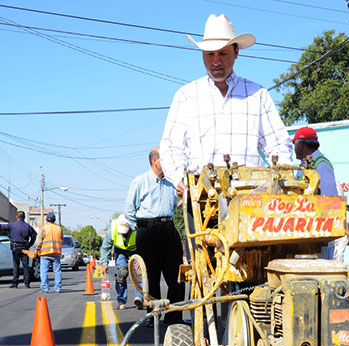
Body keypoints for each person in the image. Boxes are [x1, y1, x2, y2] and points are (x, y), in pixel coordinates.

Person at [160, 13, 293, 195]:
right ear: (202, 55)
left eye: (223, 53)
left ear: (236, 52)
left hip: (250, 196)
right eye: (209, 54)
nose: (216, 61)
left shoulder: (258, 95)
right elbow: (171, 147)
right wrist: (179, 180)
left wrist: (280, 180)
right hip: (201, 196)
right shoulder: (186, 96)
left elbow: (279, 144)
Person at [124, 148, 184, 325]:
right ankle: (154, 316)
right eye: (166, 159)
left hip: (168, 228)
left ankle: (174, 317)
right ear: (155, 161)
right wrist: (142, 227)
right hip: (148, 229)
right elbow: (129, 211)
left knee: (177, 276)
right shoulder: (140, 181)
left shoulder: (171, 183)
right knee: (152, 276)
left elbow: (176, 204)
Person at [100, 214, 143, 310]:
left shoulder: (137, 227)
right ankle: (121, 300)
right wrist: (104, 264)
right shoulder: (112, 229)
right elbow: (105, 248)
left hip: (136, 250)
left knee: (139, 272)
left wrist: (141, 259)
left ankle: (139, 298)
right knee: (122, 273)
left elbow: (145, 243)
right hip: (120, 250)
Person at [292, 126, 338, 196]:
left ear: (300, 145)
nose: (294, 148)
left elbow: (330, 198)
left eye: (294, 144)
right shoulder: (305, 164)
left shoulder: (322, 165)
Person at [0, 211, 37, 288]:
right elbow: (34, 235)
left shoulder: (12, 225)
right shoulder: (28, 226)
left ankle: (15, 283)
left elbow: (1, 227)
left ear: (17, 217)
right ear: (24, 217)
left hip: (15, 248)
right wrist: (29, 244)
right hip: (24, 248)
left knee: (16, 265)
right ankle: (27, 283)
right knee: (25, 266)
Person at [35, 212, 63, 293]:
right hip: (56, 252)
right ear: (54, 220)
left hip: (45, 253)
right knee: (57, 271)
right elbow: (62, 240)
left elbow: (39, 241)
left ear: (46, 219)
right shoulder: (59, 229)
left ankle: (45, 288)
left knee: (44, 271)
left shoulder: (43, 228)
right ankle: (58, 288)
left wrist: (36, 250)